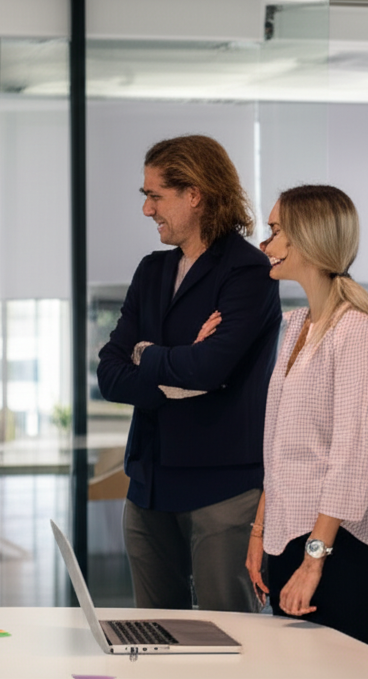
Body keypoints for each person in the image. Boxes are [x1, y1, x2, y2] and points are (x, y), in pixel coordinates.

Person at [97, 135, 282, 613]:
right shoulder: (152, 271)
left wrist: (146, 354)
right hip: (148, 484)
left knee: (232, 634)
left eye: (155, 196)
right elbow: (109, 375)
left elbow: (209, 368)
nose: (147, 209)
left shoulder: (248, 271)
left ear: (194, 194)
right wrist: (180, 366)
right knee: (157, 632)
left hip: (222, 488)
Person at [242, 185, 368, 650]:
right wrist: (260, 533)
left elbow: (352, 462)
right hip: (287, 540)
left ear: (309, 239)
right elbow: (278, 448)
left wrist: (313, 561)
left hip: (333, 549)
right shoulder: (294, 325)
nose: (266, 243)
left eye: (276, 231)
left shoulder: (355, 330)